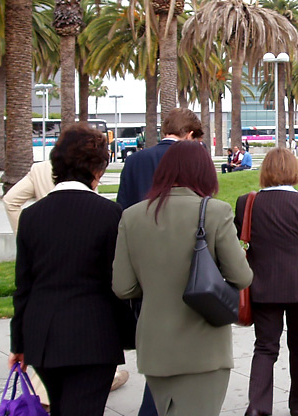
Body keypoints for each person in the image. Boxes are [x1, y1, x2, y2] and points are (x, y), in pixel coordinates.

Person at [113, 141, 254, 416]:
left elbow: (123, 286)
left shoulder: (131, 217)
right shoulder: (215, 212)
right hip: (204, 348)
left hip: (155, 349)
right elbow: (241, 276)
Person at [9, 124, 129, 416]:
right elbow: (119, 282)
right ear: (97, 169)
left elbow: (23, 286)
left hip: (42, 338)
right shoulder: (110, 214)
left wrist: (18, 342)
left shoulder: (31, 216)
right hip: (95, 337)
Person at [115, 107, 203, 416]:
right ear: (189, 134)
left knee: (157, 349)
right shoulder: (192, 162)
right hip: (186, 270)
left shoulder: (135, 161)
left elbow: (121, 212)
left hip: (144, 270)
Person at [234, 147, 298, 416]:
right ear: (295, 172)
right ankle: (296, 404)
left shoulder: (247, 202)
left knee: (265, 348)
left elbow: (233, 239)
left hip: (262, 288)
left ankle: (258, 408)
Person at [117, 108, 203, 209]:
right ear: (189, 135)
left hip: (140, 222)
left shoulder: (133, 160)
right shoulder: (193, 159)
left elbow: (123, 204)